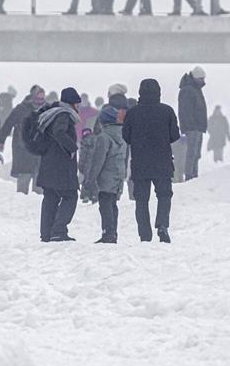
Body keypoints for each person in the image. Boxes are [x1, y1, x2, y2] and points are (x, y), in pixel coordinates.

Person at [122, 78, 180, 242]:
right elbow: (175, 135)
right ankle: (162, 225)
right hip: (162, 161)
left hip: (140, 162)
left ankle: (144, 234)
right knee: (164, 195)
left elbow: (126, 136)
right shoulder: (167, 111)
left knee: (141, 199)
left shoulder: (133, 113)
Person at [24, 88, 81, 242]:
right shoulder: (63, 114)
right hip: (60, 166)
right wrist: (72, 148)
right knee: (71, 196)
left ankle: (46, 233)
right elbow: (59, 132)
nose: (78, 107)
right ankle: (59, 230)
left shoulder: (52, 113)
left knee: (50, 197)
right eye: (77, 103)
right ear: (72, 103)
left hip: (48, 163)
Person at [83, 105, 129, 243]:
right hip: (118, 174)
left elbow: (98, 160)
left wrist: (90, 179)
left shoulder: (103, 137)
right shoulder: (123, 136)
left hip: (106, 176)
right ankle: (113, 232)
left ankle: (108, 234)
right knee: (113, 204)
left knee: (105, 205)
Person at [0, 85, 45, 194]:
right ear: (32, 97)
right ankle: (21, 202)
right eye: (38, 99)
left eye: (42, 99)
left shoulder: (46, 109)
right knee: (24, 179)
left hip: (40, 150)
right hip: (23, 149)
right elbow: (8, 124)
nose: (40, 102)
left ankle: (37, 204)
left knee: (39, 182)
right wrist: (0, 140)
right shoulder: (21, 109)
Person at [178, 66, 208, 181]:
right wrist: (190, 126)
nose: (203, 82)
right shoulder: (188, 90)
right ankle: (190, 176)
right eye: (201, 79)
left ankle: (194, 176)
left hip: (197, 127)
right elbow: (185, 110)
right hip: (193, 127)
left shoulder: (194, 89)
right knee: (191, 153)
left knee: (196, 154)